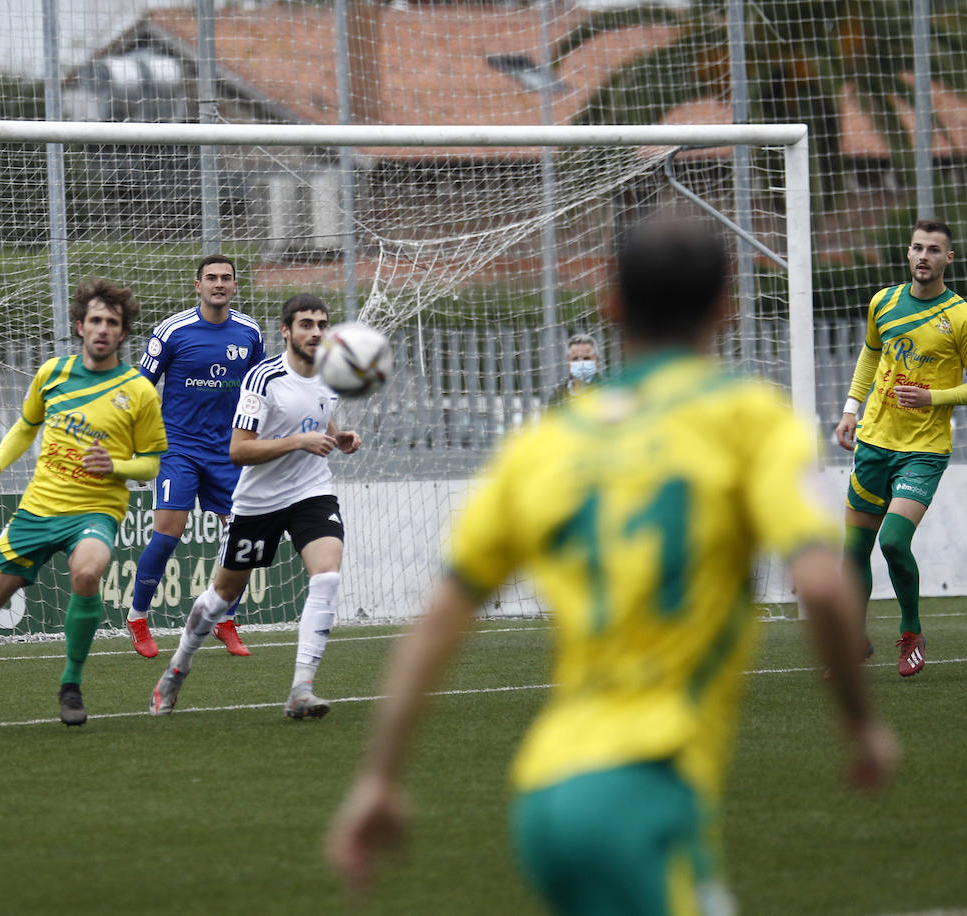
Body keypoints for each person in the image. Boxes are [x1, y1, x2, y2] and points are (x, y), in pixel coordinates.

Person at [326, 220, 896, 912]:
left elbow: (438, 620)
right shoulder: (750, 418)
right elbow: (822, 584)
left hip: (546, 791)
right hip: (643, 789)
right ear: (728, 308)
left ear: (610, 305)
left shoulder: (543, 447)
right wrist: (859, 723)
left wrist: (380, 776)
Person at [0, 277, 167, 733]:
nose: (103, 329)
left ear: (123, 333)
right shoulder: (53, 374)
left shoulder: (138, 391)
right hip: (37, 511)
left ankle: (70, 684)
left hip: (94, 512)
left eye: (113, 323)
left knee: (87, 571)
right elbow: (25, 426)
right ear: (80, 326)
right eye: (95, 320)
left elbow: (152, 464)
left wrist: (117, 465)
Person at [149, 294, 361, 719]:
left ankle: (301, 687)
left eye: (321, 324)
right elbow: (239, 451)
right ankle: (177, 667)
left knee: (327, 576)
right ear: (285, 330)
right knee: (220, 598)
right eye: (305, 324)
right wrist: (299, 441)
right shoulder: (262, 379)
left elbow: (319, 413)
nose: (315, 332)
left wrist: (337, 437)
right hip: (258, 501)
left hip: (311, 493)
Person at [834, 218, 967, 678]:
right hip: (873, 441)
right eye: (917, 248)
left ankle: (912, 630)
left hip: (923, 450)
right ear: (907, 254)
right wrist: (851, 408)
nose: (923, 256)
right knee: (853, 551)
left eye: (934, 249)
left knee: (892, 541)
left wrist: (935, 397)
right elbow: (871, 353)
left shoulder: (960, 316)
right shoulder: (884, 302)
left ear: (949, 259)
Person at [126, 255, 266, 659]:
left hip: (228, 451)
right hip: (179, 448)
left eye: (226, 278)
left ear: (235, 286)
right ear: (197, 285)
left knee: (241, 538)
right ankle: (138, 617)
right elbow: (141, 388)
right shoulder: (173, 331)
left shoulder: (250, 332)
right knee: (168, 534)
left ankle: (224, 619)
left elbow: (260, 392)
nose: (218, 284)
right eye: (211, 278)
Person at [548, 332, 602, 406]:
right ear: (567, 362)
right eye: (575, 359)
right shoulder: (558, 396)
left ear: (597, 360)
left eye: (586, 358)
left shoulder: (608, 392)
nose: (581, 363)